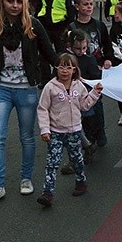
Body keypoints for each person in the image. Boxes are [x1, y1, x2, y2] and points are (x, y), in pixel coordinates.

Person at [0, 0, 57, 204]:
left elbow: (49, 53)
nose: (15, 5)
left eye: (19, 2)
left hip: (27, 90)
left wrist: (68, 69)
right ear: (2, 3)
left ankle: (26, 179)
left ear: (24, 4)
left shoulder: (33, 25)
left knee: (26, 137)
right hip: (0, 90)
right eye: (10, 1)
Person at [35, 53, 102, 207]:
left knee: (77, 159)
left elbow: (84, 105)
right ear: (56, 69)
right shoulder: (50, 87)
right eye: (61, 67)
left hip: (74, 131)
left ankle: (81, 182)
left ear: (74, 70)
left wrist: (95, 93)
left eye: (68, 67)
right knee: (52, 162)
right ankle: (47, 193)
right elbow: (43, 109)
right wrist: (45, 129)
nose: (65, 71)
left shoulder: (78, 86)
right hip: (56, 132)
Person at [65, 29, 103, 164]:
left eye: (84, 48)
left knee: (86, 125)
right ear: (69, 46)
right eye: (78, 48)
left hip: (85, 97)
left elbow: (96, 77)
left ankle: (87, 147)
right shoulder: (67, 59)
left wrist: (85, 80)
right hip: (68, 99)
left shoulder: (89, 59)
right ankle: (77, 154)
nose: (81, 51)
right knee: (72, 127)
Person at [36, 0, 76, 82]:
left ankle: (58, 77)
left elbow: (70, 10)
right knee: (43, 54)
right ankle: (45, 79)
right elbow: (39, 6)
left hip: (60, 27)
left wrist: (68, 26)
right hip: (45, 25)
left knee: (60, 55)